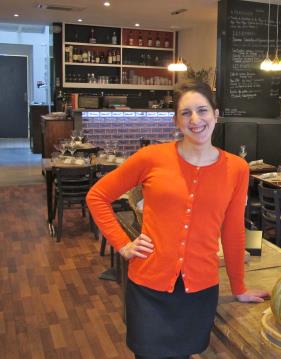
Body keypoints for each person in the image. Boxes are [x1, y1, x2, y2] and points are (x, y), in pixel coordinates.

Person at [87, 80, 269, 359]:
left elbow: (232, 231)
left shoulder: (237, 168)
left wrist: (239, 287)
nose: (195, 120)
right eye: (186, 113)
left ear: (216, 114)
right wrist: (123, 244)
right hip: (148, 287)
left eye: (202, 110)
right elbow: (97, 196)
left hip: (199, 292)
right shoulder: (151, 158)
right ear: (176, 120)